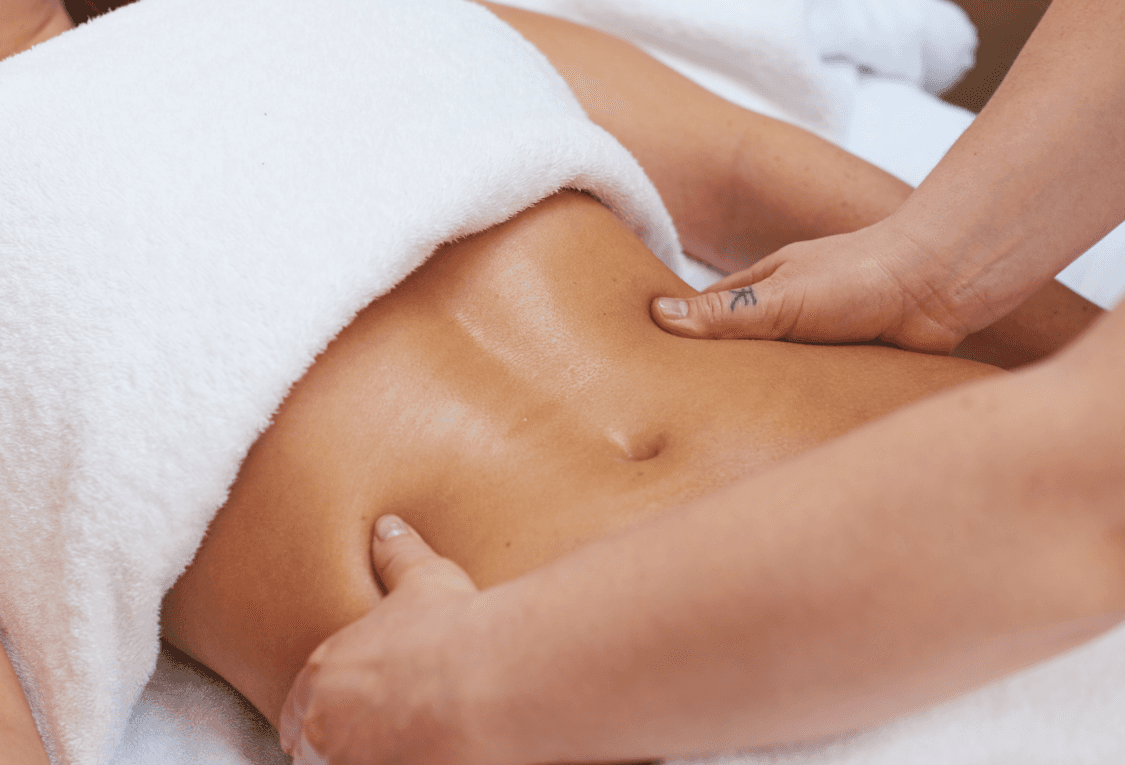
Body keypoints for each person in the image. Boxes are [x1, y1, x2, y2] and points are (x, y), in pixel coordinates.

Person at [0, 2, 1105, 765]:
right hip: (566, 710)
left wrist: (1061, 336)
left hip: (970, 526)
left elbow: (738, 172)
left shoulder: (319, 9)